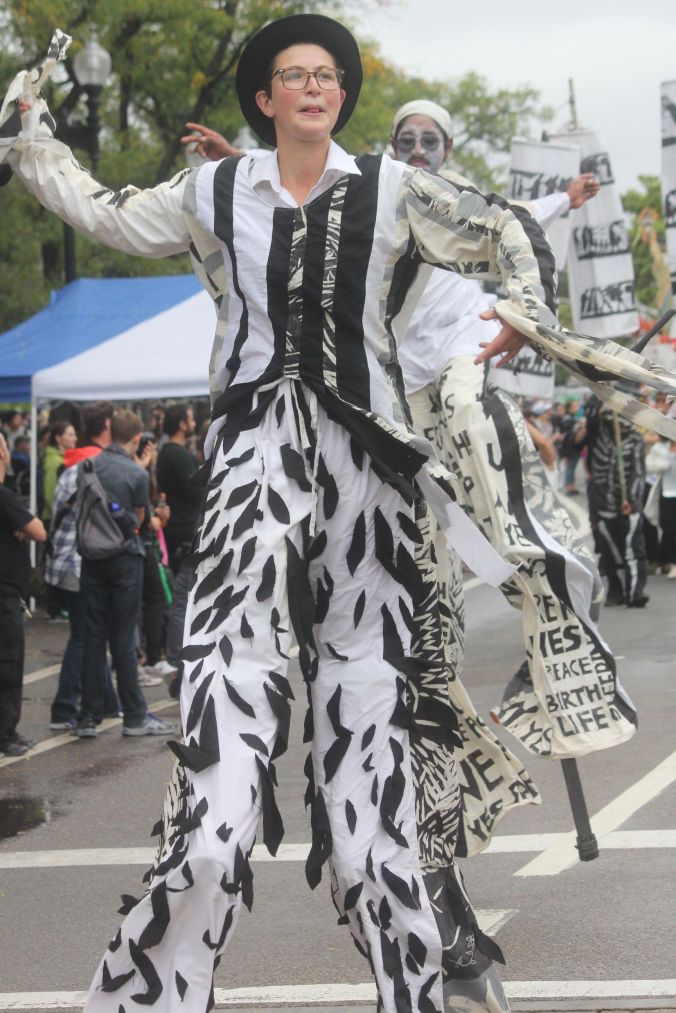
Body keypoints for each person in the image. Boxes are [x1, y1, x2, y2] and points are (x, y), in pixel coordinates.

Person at [2, 18, 673, 1012]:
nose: (314, 86)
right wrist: (31, 131)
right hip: (250, 481)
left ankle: (419, 969)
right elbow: (99, 208)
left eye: (328, 75)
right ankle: (153, 987)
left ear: (340, 98)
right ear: (266, 98)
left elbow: (504, 226)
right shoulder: (215, 192)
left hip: (370, 481)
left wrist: (518, 319)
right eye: (293, 75)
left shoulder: (393, 192)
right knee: (220, 797)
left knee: (374, 781)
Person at [75, 410, 175, 739]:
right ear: (135, 439)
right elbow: (139, 520)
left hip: (91, 558)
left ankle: (87, 716)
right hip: (124, 560)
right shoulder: (136, 474)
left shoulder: (87, 467)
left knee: (92, 635)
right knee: (123, 637)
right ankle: (134, 715)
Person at [0, 432, 46, 757]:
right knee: (9, 664)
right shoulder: (3, 496)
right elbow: (38, 530)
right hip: (5, 595)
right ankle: (5, 734)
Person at [584, 396, 649, 607]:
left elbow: (638, 472)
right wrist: (601, 394)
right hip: (602, 505)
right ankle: (616, 590)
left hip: (628, 507)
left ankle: (634, 592)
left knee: (632, 549)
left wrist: (630, 499)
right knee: (609, 550)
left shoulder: (635, 440)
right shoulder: (598, 435)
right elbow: (591, 421)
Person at [156, 403, 202, 573]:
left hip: (173, 525)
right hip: (184, 528)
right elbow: (196, 491)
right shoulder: (180, 456)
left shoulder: (165, 452)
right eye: (191, 420)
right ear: (182, 425)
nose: (194, 424)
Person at [42, 419, 77, 521]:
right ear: (58, 438)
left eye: (74, 435)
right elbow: (50, 494)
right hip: (53, 517)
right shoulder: (54, 461)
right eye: (71, 435)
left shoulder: (62, 458)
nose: (75, 438)